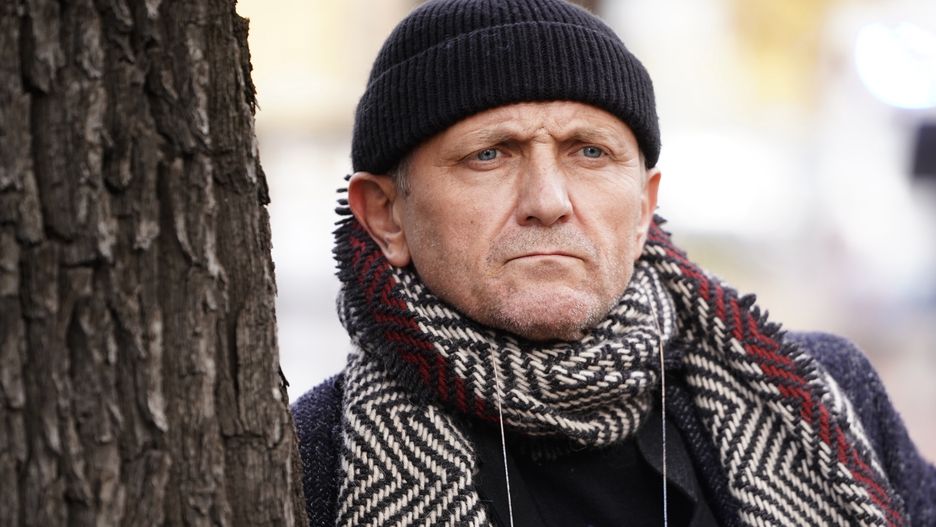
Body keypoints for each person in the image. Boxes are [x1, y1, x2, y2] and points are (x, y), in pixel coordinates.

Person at [290, 0, 936, 525]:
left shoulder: (823, 398)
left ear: (644, 209)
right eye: (490, 154)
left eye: (590, 152)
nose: (548, 202)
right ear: (386, 214)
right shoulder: (310, 461)